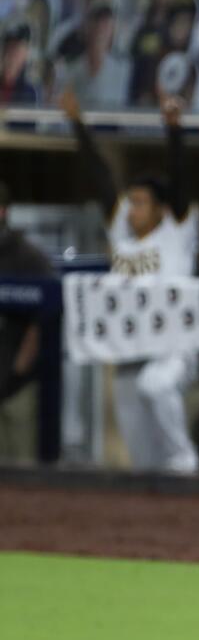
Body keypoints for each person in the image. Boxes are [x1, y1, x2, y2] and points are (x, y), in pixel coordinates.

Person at [63, 88, 199, 473]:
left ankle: (186, 459)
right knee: (141, 457)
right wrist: (77, 124)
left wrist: (174, 130)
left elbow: (182, 177)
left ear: (161, 208)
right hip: (128, 348)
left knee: (156, 386)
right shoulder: (123, 231)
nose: (133, 208)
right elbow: (101, 177)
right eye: (133, 200)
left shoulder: (177, 229)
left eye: (141, 202)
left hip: (172, 347)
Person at [0, 181, 56, 463]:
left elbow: (43, 317)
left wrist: (17, 373)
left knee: (21, 470)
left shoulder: (27, 257)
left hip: (17, 386)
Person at [0, 24, 38, 105]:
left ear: (25, 55)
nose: (11, 56)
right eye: (8, 48)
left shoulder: (30, 92)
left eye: (17, 50)